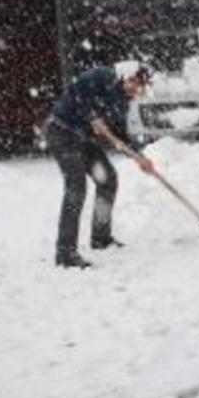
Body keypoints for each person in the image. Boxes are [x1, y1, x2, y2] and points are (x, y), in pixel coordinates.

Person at [45, 63, 156, 269]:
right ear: (126, 76)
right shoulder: (101, 76)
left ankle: (100, 238)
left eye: (141, 86)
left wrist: (139, 157)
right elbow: (77, 92)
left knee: (107, 179)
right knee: (76, 186)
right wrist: (92, 116)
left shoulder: (122, 102)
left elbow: (119, 135)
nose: (137, 89)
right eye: (135, 82)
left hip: (83, 140)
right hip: (62, 132)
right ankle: (65, 253)